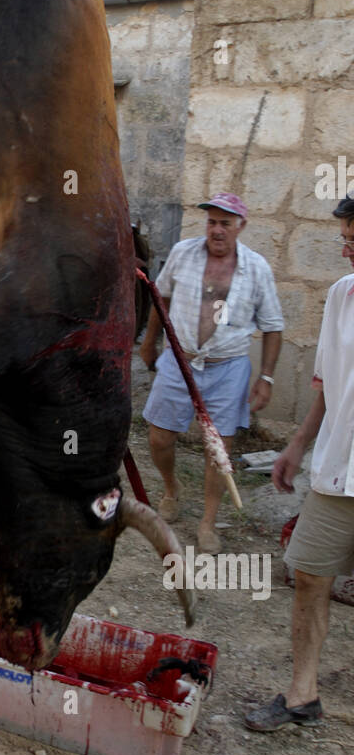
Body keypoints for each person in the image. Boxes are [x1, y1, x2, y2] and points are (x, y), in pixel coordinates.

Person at [245, 196, 354, 730]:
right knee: (309, 575)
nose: (347, 247)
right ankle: (302, 695)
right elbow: (327, 387)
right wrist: (296, 446)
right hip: (338, 472)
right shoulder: (342, 295)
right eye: (346, 237)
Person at [139, 192, 283, 552]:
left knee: (218, 450)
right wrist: (149, 342)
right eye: (212, 222)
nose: (217, 230)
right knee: (159, 438)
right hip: (179, 359)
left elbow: (273, 326)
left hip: (228, 367)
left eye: (225, 223)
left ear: (240, 226)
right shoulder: (183, 253)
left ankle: (207, 521)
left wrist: (265, 377)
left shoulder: (257, 268)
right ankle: (172, 488)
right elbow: (162, 297)